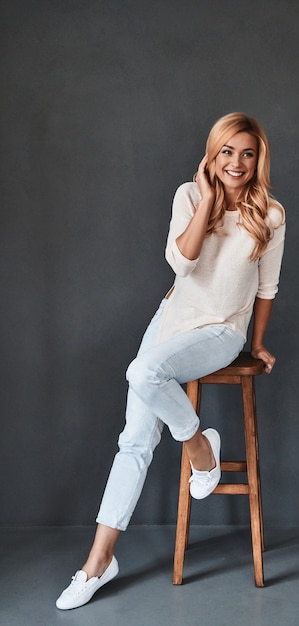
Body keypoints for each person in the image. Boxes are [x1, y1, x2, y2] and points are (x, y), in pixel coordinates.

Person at [56, 112, 286, 610]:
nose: (237, 162)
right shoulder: (188, 195)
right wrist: (207, 200)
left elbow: (266, 289)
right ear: (213, 154)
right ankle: (98, 562)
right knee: (134, 440)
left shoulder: (270, 213)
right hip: (171, 320)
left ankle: (198, 448)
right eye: (227, 151)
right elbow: (181, 263)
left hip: (222, 331)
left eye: (247, 153)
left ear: (258, 158)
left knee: (142, 373)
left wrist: (258, 340)